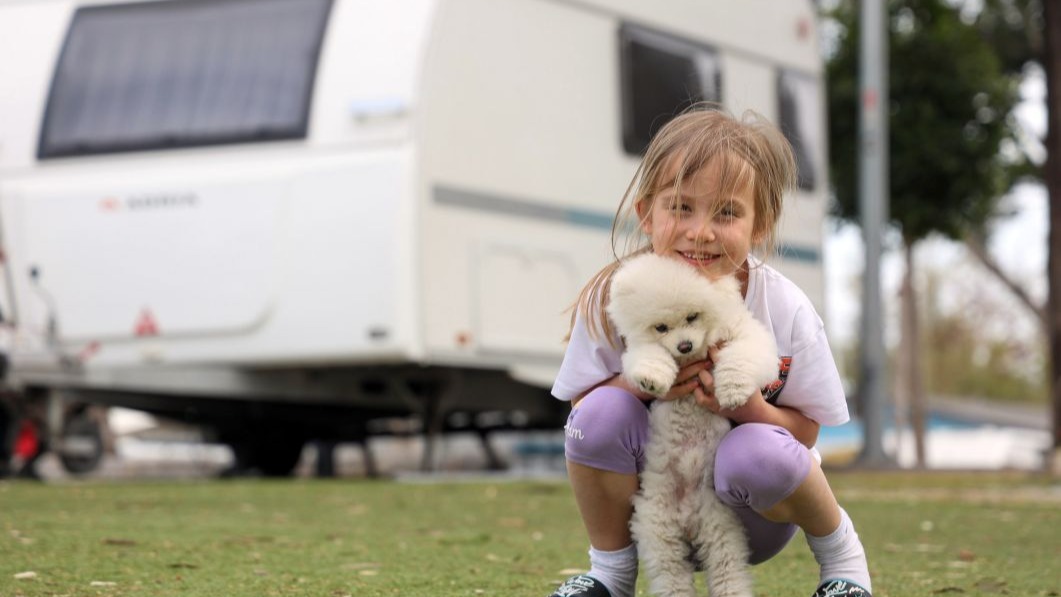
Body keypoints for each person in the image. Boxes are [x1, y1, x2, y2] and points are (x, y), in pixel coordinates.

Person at [547, 106, 872, 597]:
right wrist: (634, 381)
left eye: (727, 212)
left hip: (750, 517)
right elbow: (583, 415)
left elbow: (807, 430)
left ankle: (843, 565)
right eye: (681, 207)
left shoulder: (783, 306)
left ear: (758, 225)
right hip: (655, 506)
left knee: (758, 452)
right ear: (647, 215)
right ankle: (610, 575)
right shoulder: (618, 297)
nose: (701, 231)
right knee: (600, 413)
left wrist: (752, 409)